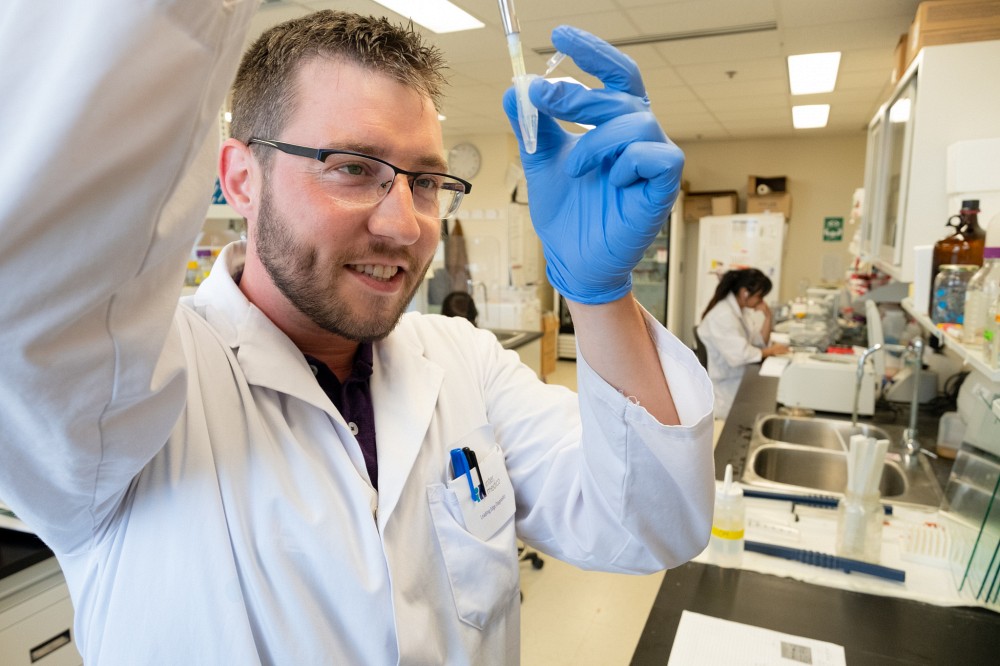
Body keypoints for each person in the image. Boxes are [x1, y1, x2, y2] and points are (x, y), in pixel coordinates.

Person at [0, 4, 715, 664]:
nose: (405, 226)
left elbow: (648, 524)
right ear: (242, 180)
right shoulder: (121, 396)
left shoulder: (461, 359)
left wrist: (599, 296)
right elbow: (41, 226)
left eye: (426, 182)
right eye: (351, 169)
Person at [696, 268, 790, 419]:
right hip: (727, 391)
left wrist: (768, 316)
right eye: (760, 296)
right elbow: (742, 354)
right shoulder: (722, 316)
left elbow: (759, 343)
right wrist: (771, 351)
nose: (761, 301)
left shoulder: (740, 312)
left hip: (739, 381)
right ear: (744, 292)